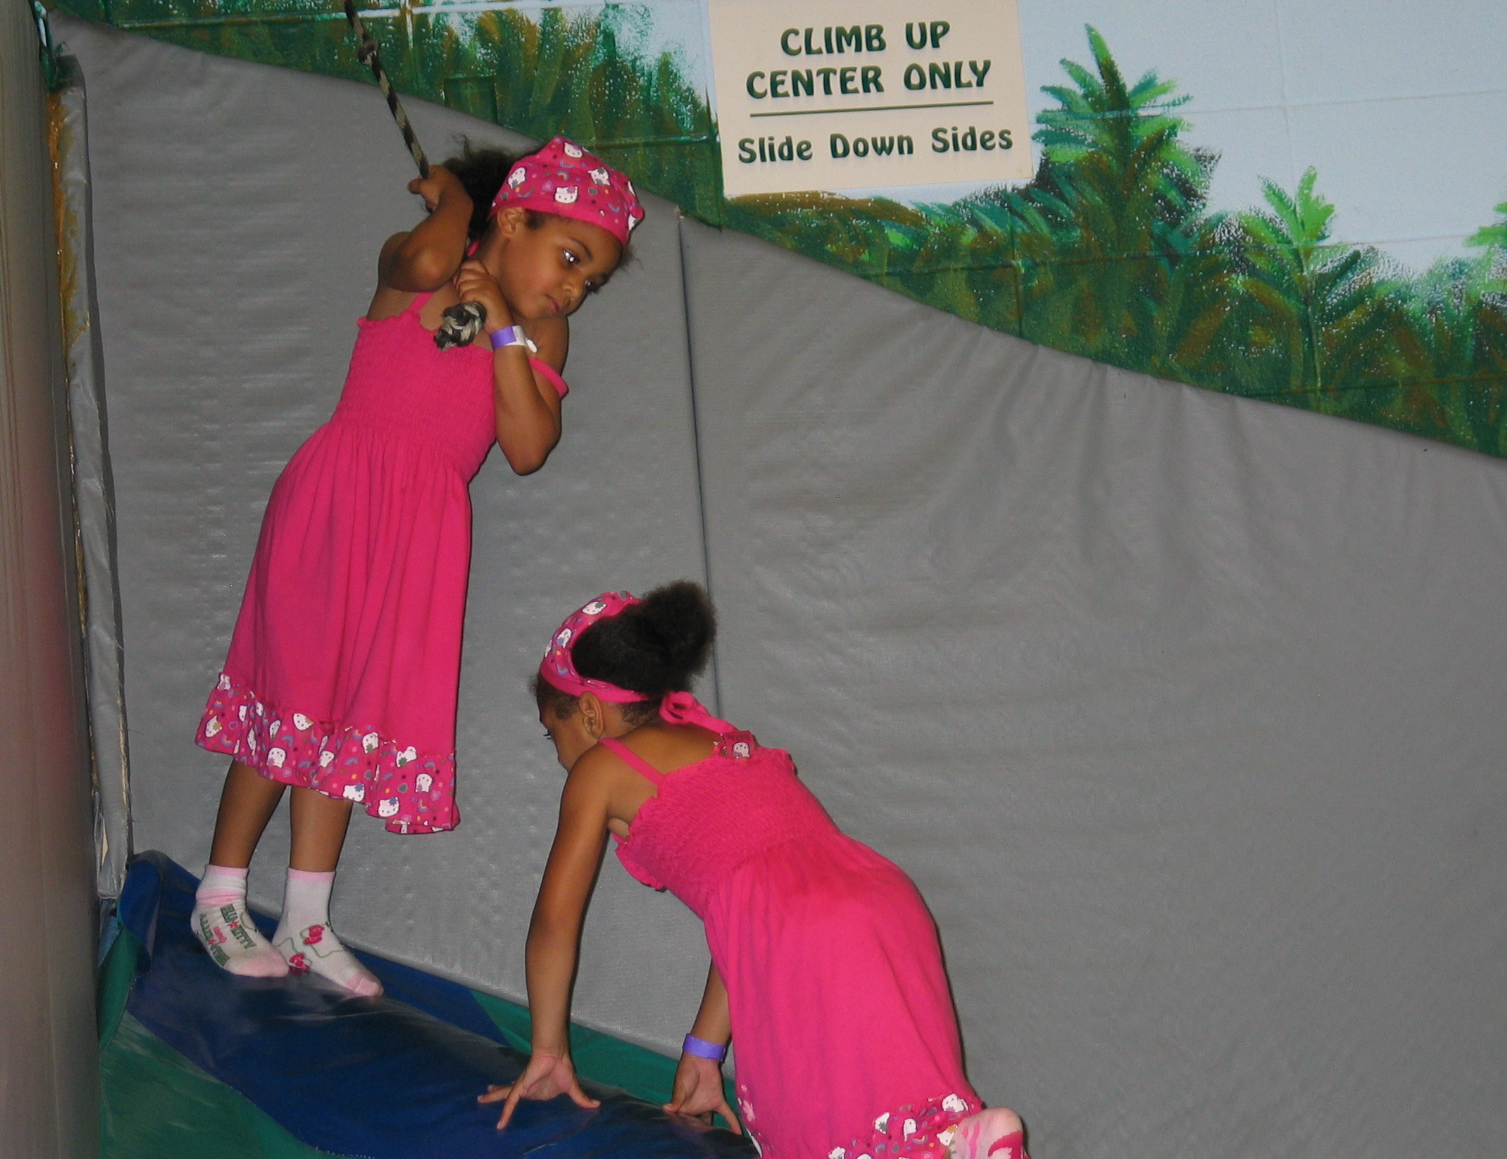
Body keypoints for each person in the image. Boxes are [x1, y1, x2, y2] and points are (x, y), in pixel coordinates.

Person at [190, 137, 645, 996]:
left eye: (592, 279)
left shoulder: (541, 333)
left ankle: (305, 920)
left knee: (351, 719)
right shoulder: (425, 271)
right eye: (571, 257)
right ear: (512, 221)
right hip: (338, 500)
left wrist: (504, 327)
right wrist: (456, 202)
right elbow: (430, 257)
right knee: (293, 697)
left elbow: (528, 447)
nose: (574, 289)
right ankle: (219, 893)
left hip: (424, 531)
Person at [481, 583, 1029, 1159]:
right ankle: (963, 1139)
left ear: (590, 713)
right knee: (902, 1109)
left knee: (813, 1129)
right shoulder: (722, 742)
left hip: (799, 931)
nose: (559, 753)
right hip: (884, 905)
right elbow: (747, 920)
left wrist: (549, 1051)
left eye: (553, 732)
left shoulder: (600, 770)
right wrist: (703, 1051)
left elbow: (554, 924)